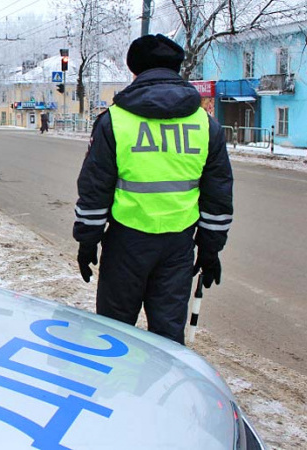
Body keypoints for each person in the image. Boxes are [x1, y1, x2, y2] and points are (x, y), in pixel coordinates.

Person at [73, 34, 233, 345]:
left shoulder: (114, 122)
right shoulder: (205, 124)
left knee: (114, 333)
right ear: (177, 70)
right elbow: (218, 192)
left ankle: (114, 390)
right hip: (178, 245)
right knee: (168, 337)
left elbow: (95, 189)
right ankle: (164, 392)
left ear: (135, 71)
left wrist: (87, 241)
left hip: (126, 243)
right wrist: (211, 248)